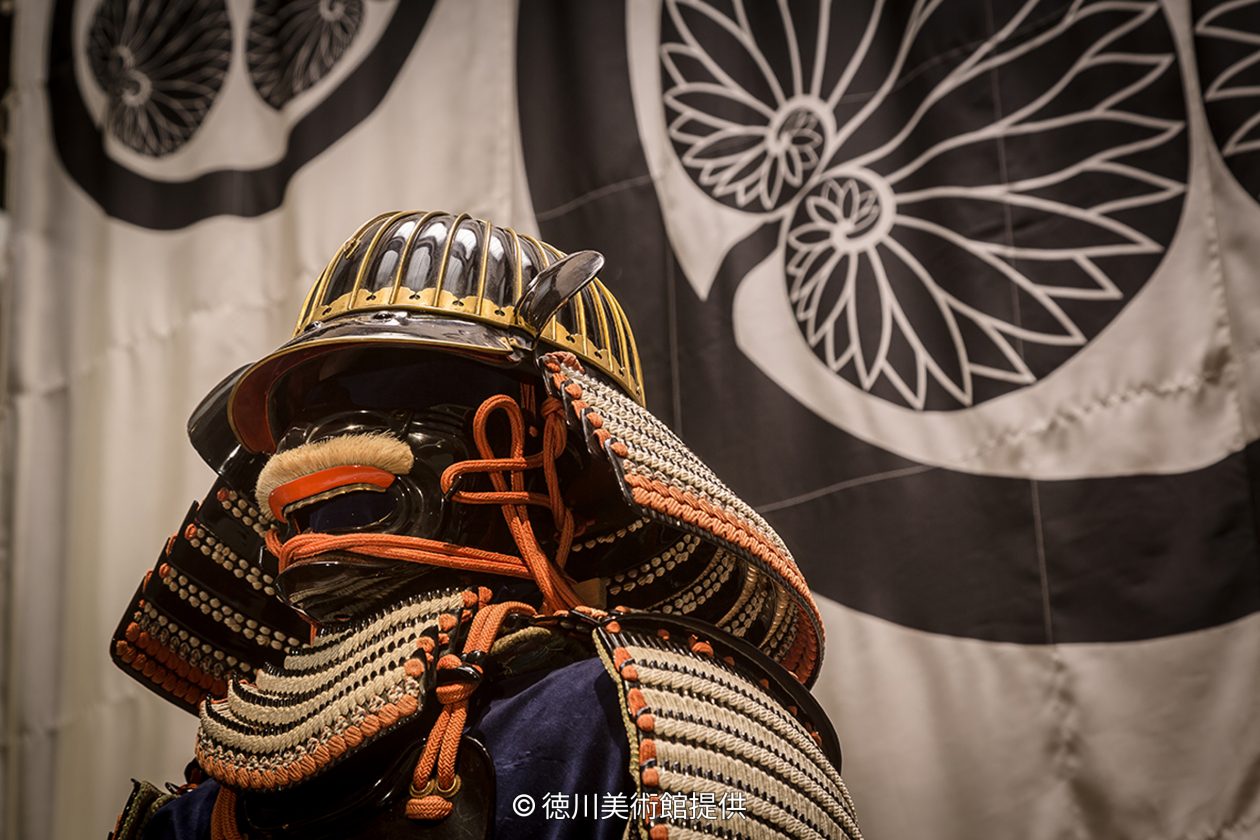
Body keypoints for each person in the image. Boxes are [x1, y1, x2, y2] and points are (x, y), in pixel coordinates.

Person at [109, 211, 862, 839]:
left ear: (558, 443)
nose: (314, 454)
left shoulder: (648, 727)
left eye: (404, 398)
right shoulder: (208, 802)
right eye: (314, 417)